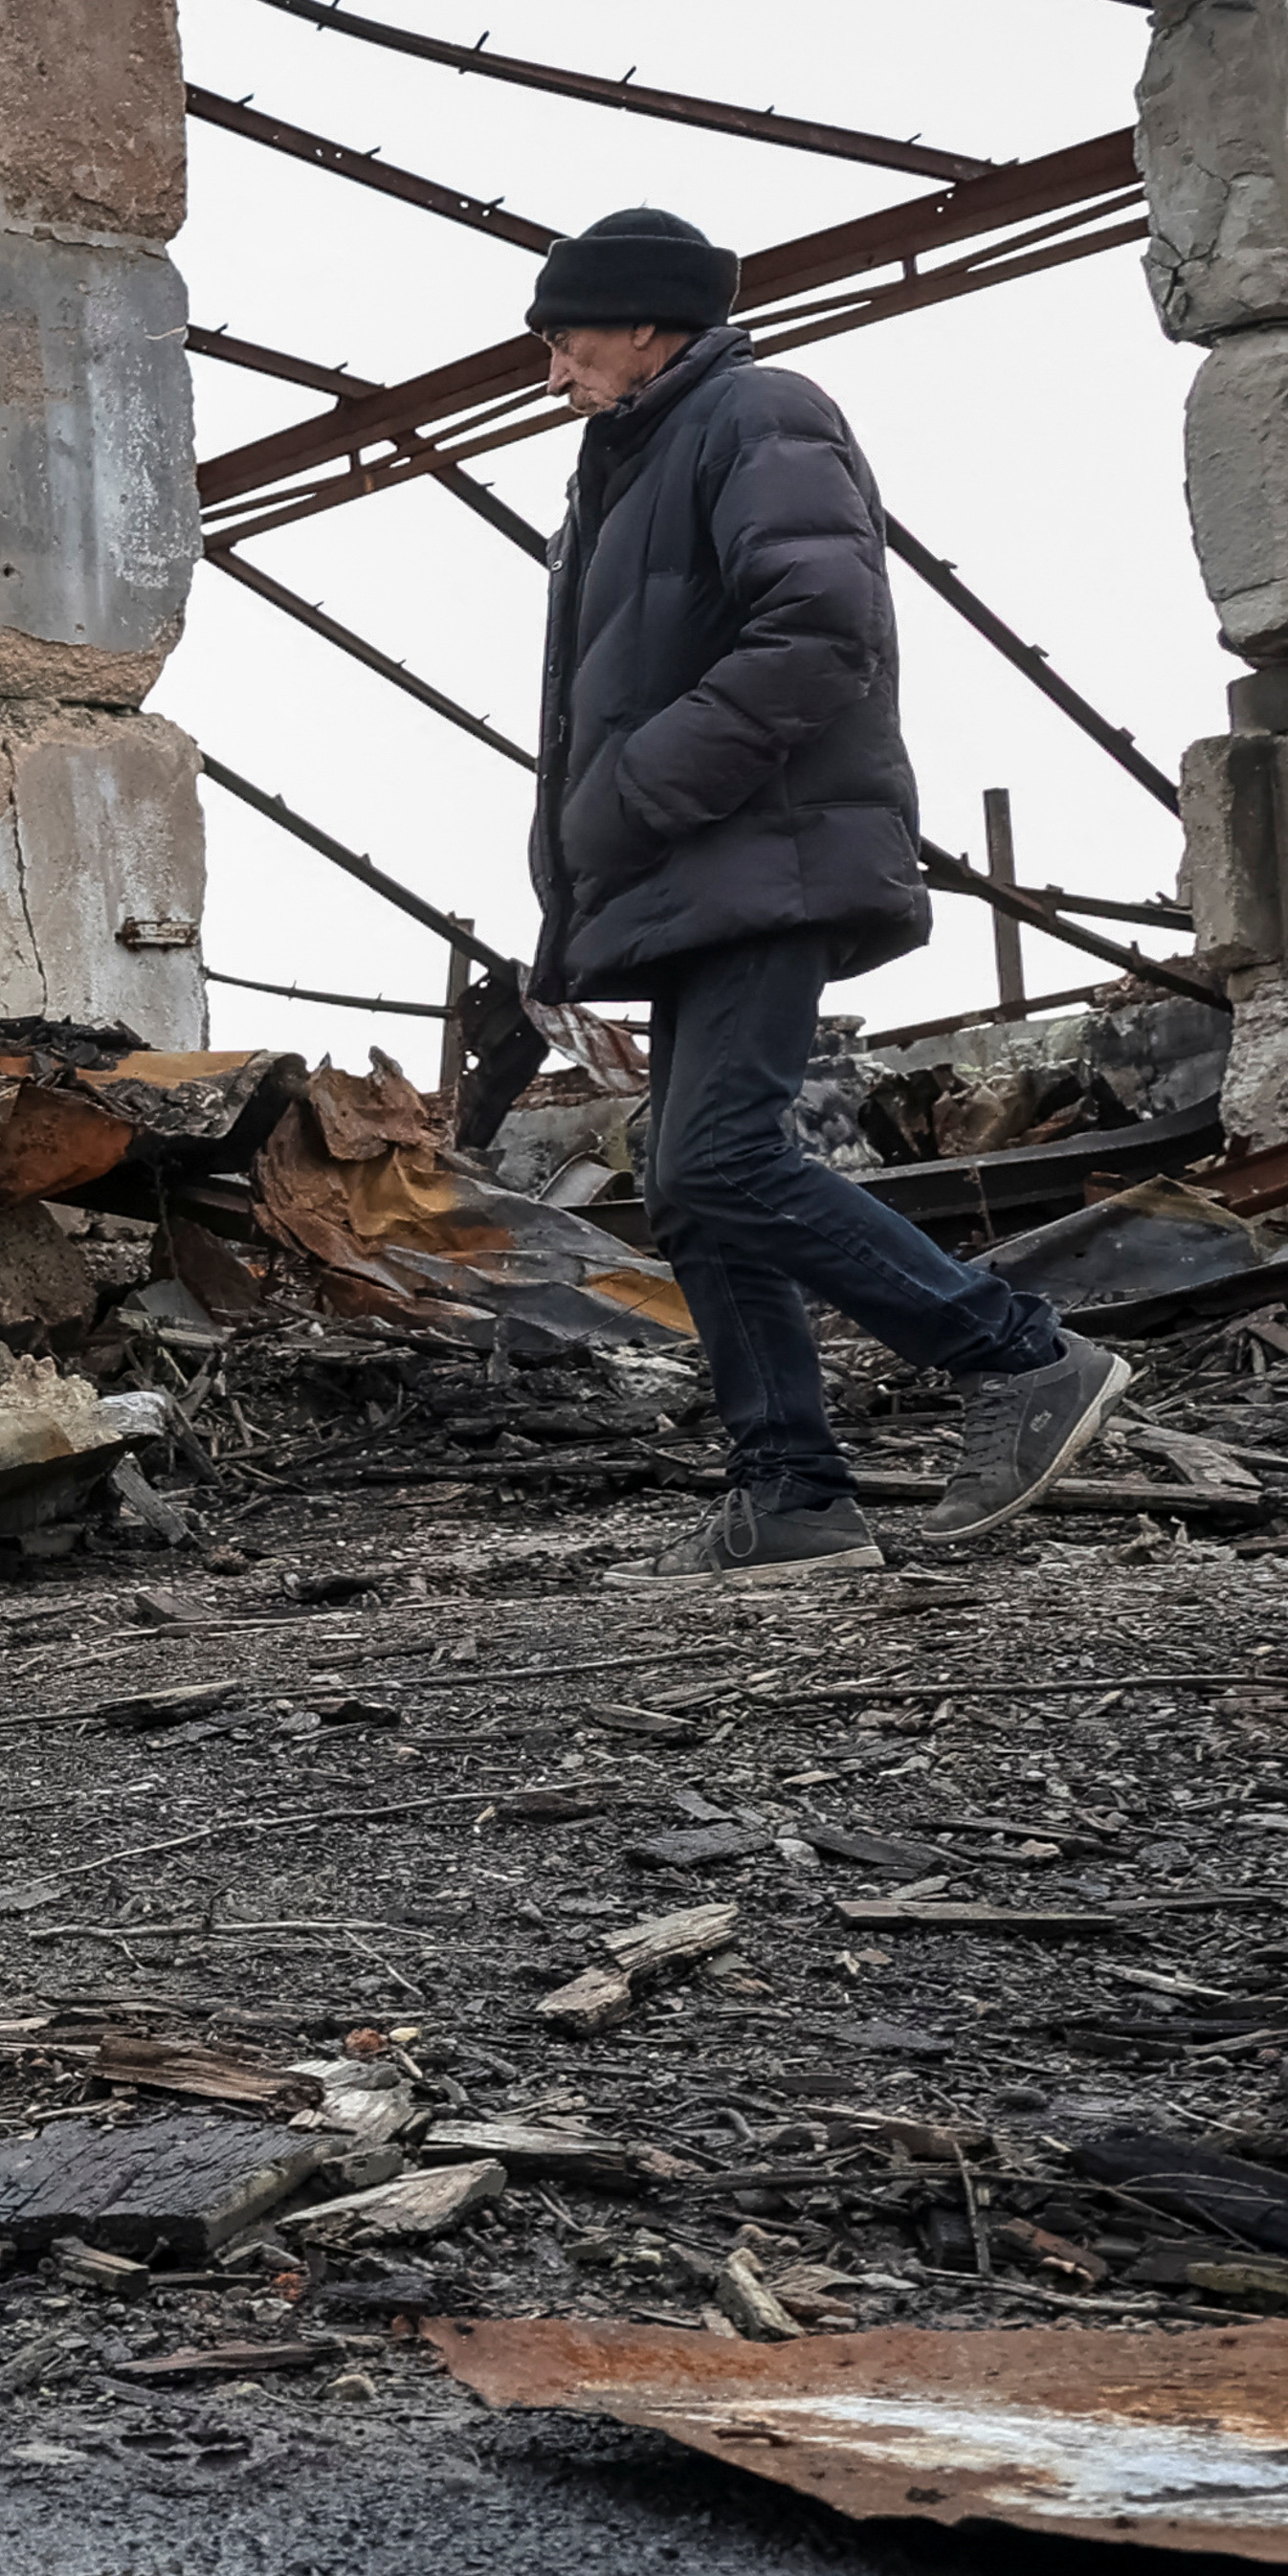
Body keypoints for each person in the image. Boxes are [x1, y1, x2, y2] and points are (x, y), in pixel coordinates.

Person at [522, 208, 1132, 1591]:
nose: (556, 373)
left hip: (757, 857)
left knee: (725, 1158)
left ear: (649, 324)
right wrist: (579, 885)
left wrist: (634, 799)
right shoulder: (626, 466)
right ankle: (790, 1493)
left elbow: (822, 634)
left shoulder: (757, 413)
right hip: (691, 871)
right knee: (688, 1189)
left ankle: (1025, 1357)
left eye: (569, 340)